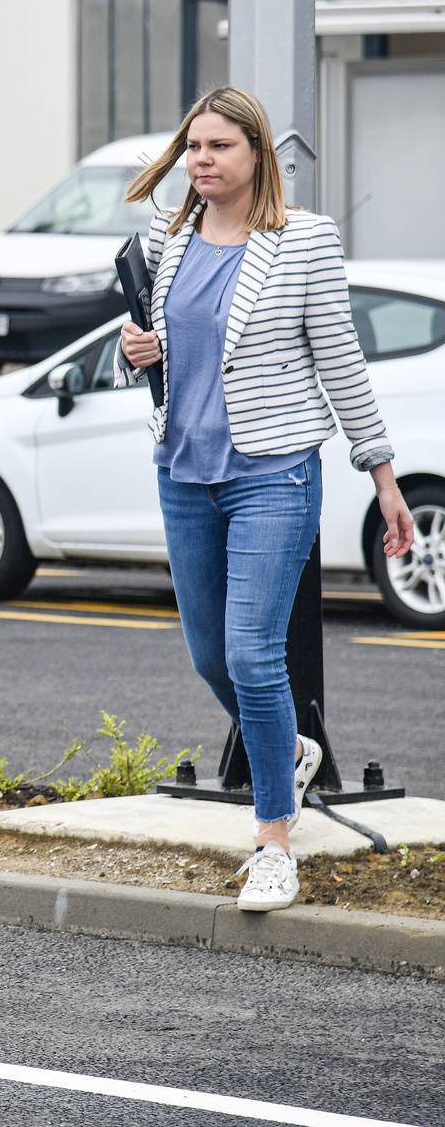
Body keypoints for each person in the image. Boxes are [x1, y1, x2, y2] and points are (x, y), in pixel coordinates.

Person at [116, 87, 414, 912]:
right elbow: (150, 355)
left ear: (257, 156)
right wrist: (132, 349)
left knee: (252, 653)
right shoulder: (167, 238)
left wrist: (381, 474)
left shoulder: (304, 241)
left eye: (218, 146)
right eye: (193, 147)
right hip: (183, 468)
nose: (201, 159)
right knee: (211, 656)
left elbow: (341, 361)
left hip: (273, 473)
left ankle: (274, 839)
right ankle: (292, 751)